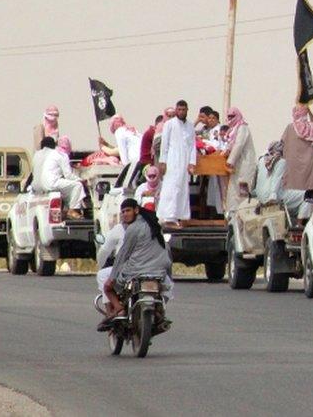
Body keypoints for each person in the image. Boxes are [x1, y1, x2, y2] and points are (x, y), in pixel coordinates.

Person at [98, 199, 173, 330]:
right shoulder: (155, 226)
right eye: (123, 212)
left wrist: (112, 278)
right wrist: (168, 274)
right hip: (158, 272)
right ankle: (159, 312)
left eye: (128, 210)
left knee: (108, 287)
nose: (125, 214)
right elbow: (167, 253)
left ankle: (118, 310)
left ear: (136, 210)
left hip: (136, 271)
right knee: (168, 287)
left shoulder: (133, 228)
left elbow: (123, 255)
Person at [156, 100, 197, 227]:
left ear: (187, 110)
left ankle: (181, 216)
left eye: (183, 109)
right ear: (176, 110)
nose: (181, 112)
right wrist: (162, 161)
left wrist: (192, 162)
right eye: (179, 109)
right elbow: (164, 144)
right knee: (171, 188)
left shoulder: (190, 126)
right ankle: (169, 217)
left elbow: (192, 146)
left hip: (184, 162)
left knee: (183, 189)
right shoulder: (169, 124)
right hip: (172, 161)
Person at [31, 137, 86, 218]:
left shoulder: (41, 154)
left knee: (67, 188)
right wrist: (81, 180)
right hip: (51, 183)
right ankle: (72, 210)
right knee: (77, 186)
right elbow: (68, 175)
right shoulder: (61, 155)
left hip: (40, 185)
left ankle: (65, 210)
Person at [280, 105, 313, 197]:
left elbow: (282, 144)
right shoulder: (311, 128)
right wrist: (310, 111)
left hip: (292, 167)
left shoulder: (290, 128)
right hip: (309, 166)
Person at [223, 107, 257, 212]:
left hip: (244, 165)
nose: (230, 118)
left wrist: (230, 161)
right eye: (229, 116)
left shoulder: (242, 127)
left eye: (232, 116)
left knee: (242, 191)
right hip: (237, 166)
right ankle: (232, 216)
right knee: (233, 192)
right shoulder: (233, 129)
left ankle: (244, 214)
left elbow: (239, 145)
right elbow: (231, 144)